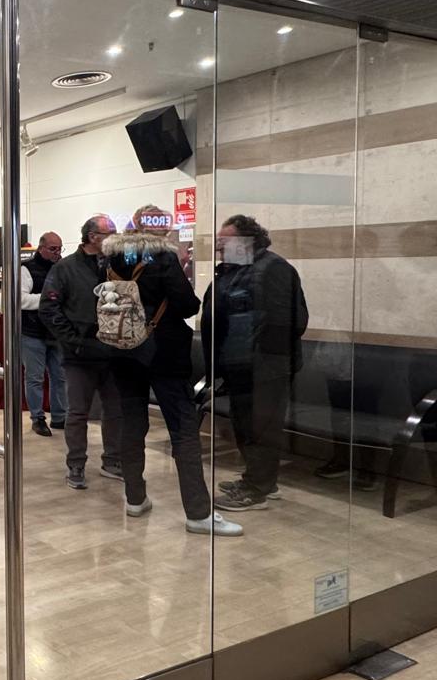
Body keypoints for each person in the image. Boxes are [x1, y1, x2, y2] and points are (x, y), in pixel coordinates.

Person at [102, 206, 243, 536]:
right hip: (163, 354)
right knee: (183, 429)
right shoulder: (163, 258)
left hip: (124, 351)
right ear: (160, 229)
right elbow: (187, 305)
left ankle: (135, 498)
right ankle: (198, 513)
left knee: (132, 424)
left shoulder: (111, 259)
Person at [203, 214, 310, 512]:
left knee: (261, 428)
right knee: (245, 425)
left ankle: (257, 489)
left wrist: (254, 356)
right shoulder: (234, 269)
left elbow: (289, 321)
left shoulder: (274, 269)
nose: (218, 247)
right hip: (239, 366)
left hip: (264, 368)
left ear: (247, 241)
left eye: (224, 241)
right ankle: (259, 478)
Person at [40, 214, 123, 490]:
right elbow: (49, 309)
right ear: (92, 237)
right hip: (79, 355)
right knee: (77, 413)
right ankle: (76, 464)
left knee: (115, 410)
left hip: (113, 352)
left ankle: (112, 460)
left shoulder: (118, 265)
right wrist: (74, 341)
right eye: (110, 233)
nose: (115, 238)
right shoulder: (65, 268)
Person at [20, 231, 68, 436]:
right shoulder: (26, 269)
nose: (57, 252)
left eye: (59, 248)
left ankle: (60, 416)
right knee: (35, 378)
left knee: (60, 377)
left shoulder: (63, 268)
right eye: (53, 249)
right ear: (41, 248)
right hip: (32, 332)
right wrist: (49, 298)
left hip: (56, 331)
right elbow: (20, 300)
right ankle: (37, 418)